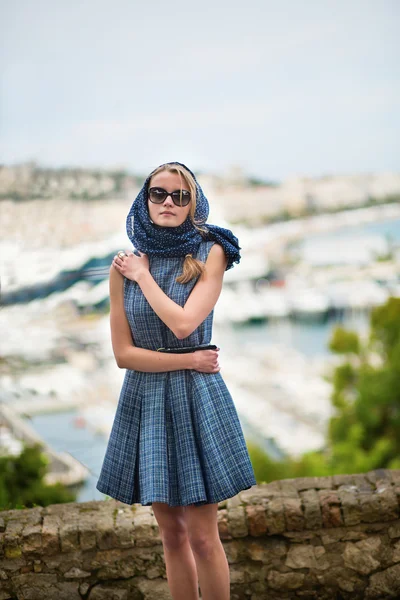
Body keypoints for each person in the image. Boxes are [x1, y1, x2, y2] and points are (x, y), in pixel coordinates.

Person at [96, 161, 257, 600]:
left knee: (204, 538)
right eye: (159, 194)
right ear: (144, 200)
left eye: (180, 196)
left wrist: (144, 277)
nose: (168, 202)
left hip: (195, 400)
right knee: (171, 537)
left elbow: (185, 325)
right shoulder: (121, 268)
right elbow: (123, 355)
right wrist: (186, 362)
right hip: (147, 398)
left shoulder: (211, 252)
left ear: (193, 203)